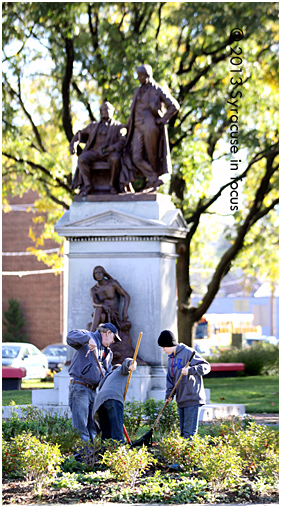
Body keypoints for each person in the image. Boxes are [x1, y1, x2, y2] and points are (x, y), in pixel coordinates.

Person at [67, 323, 121, 460]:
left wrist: (120, 370)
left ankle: (89, 455)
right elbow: (70, 336)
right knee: (81, 425)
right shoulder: (89, 337)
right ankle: (81, 457)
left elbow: (107, 375)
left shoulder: (108, 353)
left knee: (92, 426)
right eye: (114, 337)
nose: (113, 342)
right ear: (108, 332)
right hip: (79, 388)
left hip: (93, 391)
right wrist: (87, 340)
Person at [122, 64, 180, 192]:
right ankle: (154, 178)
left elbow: (174, 106)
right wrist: (125, 127)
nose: (139, 79)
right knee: (135, 156)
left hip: (150, 125)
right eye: (138, 76)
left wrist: (163, 120)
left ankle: (152, 181)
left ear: (148, 75)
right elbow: (133, 111)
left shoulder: (157, 89)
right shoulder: (137, 91)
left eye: (141, 76)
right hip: (137, 127)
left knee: (152, 156)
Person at [158, 329, 210, 440]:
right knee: (183, 434)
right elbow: (170, 379)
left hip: (192, 397)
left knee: (189, 433)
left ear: (170, 344)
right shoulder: (170, 359)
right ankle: (183, 456)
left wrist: (190, 370)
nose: (163, 350)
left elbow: (206, 367)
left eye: (164, 347)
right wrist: (169, 395)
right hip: (181, 399)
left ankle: (188, 457)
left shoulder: (188, 352)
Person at [69, 101, 126, 195]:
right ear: (100, 112)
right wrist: (73, 144)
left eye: (108, 110)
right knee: (82, 159)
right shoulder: (93, 126)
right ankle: (88, 186)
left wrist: (112, 148)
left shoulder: (118, 126)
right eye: (104, 110)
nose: (106, 111)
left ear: (112, 112)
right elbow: (80, 134)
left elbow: (123, 141)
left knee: (115, 159)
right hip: (95, 152)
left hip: (109, 152)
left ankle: (112, 185)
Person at [93, 358, 137, 444]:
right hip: (113, 399)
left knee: (106, 432)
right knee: (117, 431)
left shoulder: (107, 377)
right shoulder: (120, 370)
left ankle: (105, 452)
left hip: (100, 402)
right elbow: (127, 361)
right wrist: (133, 364)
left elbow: (101, 388)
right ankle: (119, 453)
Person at [90, 266, 130, 332]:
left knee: (99, 311)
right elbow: (94, 303)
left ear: (104, 273)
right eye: (96, 273)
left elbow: (126, 296)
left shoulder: (112, 284)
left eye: (100, 272)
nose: (98, 275)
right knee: (101, 313)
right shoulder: (94, 289)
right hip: (102, 312)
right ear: (94, 275)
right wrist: (103, 305)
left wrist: (125, 311)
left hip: (113, 312)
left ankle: (91, 334)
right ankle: (92, 334)